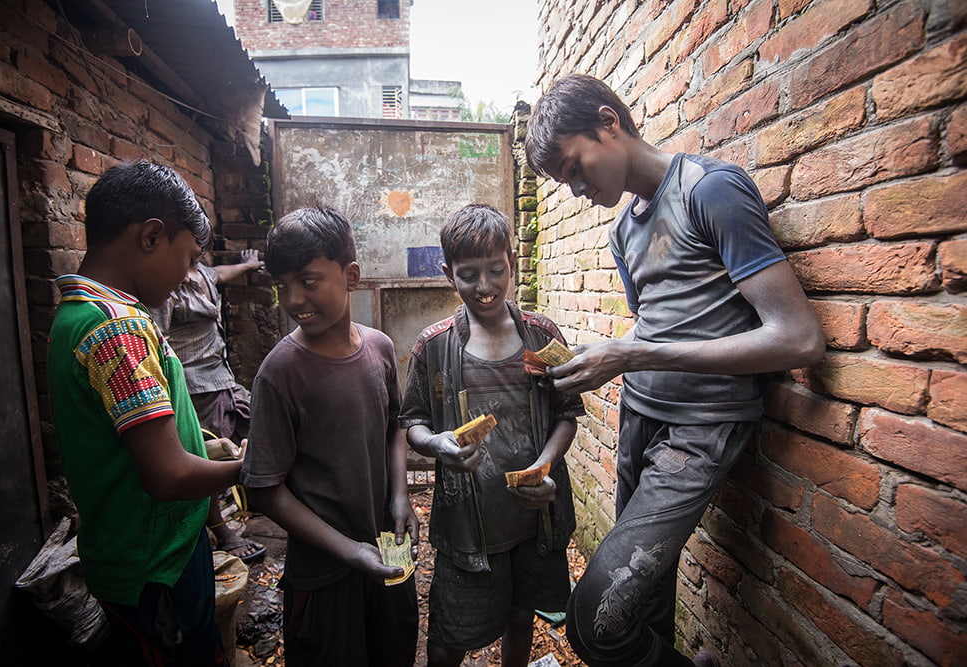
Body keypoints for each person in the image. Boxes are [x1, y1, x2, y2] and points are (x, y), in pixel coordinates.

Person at [524, 73, 826, 667]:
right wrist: (607, 355)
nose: (577, 188)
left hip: (704, 427)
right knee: (645, 605)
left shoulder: (709, 191)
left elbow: (799, 339)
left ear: (609, 123)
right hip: (642, 417)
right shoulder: (622, 230)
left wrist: (633, 354)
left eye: (575, 167)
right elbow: (653, 326)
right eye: (565, 180)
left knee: (596, 623)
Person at [47, 160, 245, 665]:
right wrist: (255, 468)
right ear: (152, 237)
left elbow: (138, 434)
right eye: (189, 258)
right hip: (156, 564)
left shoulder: (83, 313)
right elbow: (166, 474)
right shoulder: (116, 331)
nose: (186, 277)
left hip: (141, 555)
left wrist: (207, 446)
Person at [400, 204, 587, 667]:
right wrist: (435, 444)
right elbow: (413, 423)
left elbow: (567, 413)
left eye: (495, 271)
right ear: (448, 274)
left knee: (521, 616)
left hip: (533, 520)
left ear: (513, 263)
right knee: (449, 636)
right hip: (468, 523)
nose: (484, 287)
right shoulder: (434, 346)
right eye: (468, 275)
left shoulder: (541, 336)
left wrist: (545, 464)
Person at [240, 206, 420, 666]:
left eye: (308, 280)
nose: (294, 299)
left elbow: (393, 426)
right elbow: (263, 488)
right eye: (282, 285)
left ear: (351, 275)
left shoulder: (379, 347)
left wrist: (399, 497)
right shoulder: (279, 375)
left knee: (393, 650)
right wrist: (348, 551)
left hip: (385, 554)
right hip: (322, 576)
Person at [149, 248, 267, 563]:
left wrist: (249, 265)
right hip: (191, 386)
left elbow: (220, 274)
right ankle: (222, 532)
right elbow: (157, 342)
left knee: (251, 430)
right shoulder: (165, 287)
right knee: (203, 457)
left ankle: (255, 500)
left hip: (221, 377)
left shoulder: (200, 273)